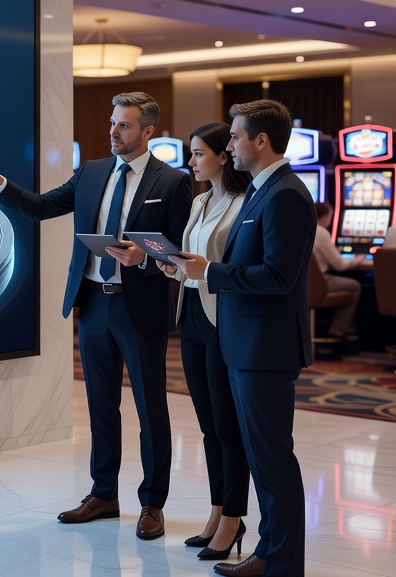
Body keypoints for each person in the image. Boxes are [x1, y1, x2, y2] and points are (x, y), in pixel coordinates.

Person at [0, 91, 192, 541]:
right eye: (112, 122)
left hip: (140, 306)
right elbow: (41, 207)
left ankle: (152, 503)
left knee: (150, 409)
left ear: (148, 131)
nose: (113, 131)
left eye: (124, 125)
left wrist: (146, 259)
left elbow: (180, 251)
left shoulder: (172, 182)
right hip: (93, 303)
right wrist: (0, 184)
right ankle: (103, 494)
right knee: (100, 407)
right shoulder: (91, 171)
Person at [170, 100, 314, 577]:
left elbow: (278, 276)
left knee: (272, 461)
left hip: (265, 347)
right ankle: (268, 552)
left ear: (261, 141)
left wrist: (210, 271)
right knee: (261, 457)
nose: (229, 145)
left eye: (234, 137)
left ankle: (282, 564)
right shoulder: (261, 190)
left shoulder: (285, 194)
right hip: (245, 343)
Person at [157, 123, 252, 561]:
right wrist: (171, 266)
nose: (191, 162)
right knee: (207, 425)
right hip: (191, 312)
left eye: (198, 154)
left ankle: (233, 517)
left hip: (221, 315)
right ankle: (217, 511)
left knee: (226, 425)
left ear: (222, 156)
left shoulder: (243, 203)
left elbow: (231, 265)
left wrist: (199, 269)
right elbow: (191, 263)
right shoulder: (199, 201)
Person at [312, 202, 367, 340]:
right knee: (355, 286)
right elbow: (340, 266)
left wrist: (334, 251)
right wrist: (359, 258)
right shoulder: (321, 232)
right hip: (319, 283)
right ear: (325, 217)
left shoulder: (302, 228)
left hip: (300, 285)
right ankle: (339, 327)